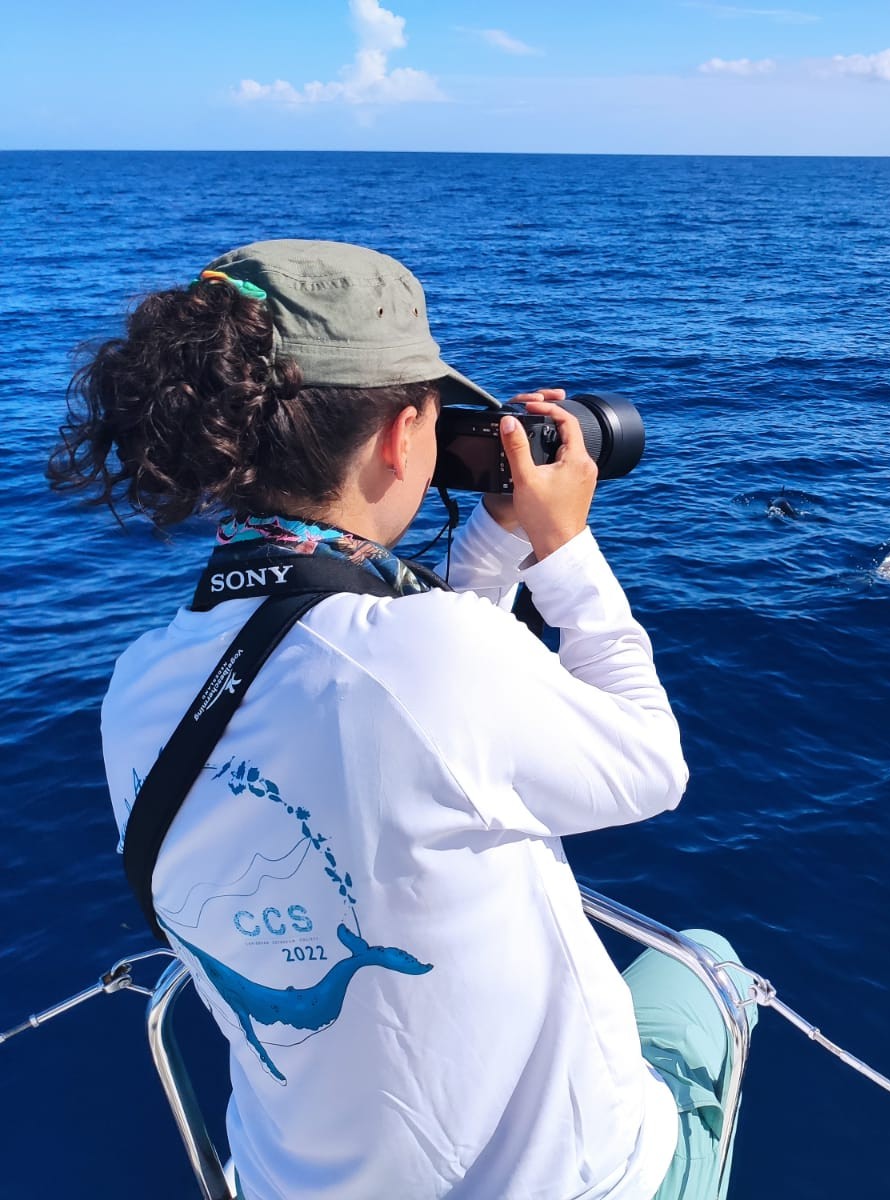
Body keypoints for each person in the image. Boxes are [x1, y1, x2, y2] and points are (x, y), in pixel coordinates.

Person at [47, 240, 748, 1200]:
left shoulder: (140, 684)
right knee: (709, 967)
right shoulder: (428, 657)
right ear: (399, 433)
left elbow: (418, 694)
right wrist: (565, 546)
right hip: (578, 1186)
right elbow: (649, 765)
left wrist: (495, 544)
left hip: (288, 1182)